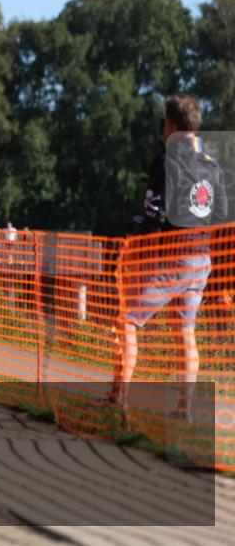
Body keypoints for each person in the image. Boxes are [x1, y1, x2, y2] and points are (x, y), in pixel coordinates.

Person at [109, 94, 228, 421]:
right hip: (200, 260)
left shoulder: (166, 160)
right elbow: (219, 216)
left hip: (171, 257)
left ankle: (118, 398)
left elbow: (153, 214)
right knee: (185, 332)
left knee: (128, 320)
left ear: (171, 124)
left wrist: (138, 252)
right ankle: (184, 410)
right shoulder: (212, 164)